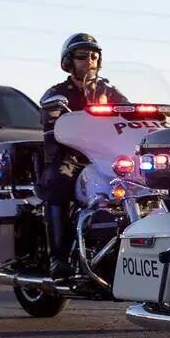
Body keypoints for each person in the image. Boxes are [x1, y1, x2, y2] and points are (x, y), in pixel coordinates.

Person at [38, 33, 128, 279]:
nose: (89, 60)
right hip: (71, 157)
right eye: (82, 56)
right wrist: (55, 113)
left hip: (106, 156)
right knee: (59, 182)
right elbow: (49, 122)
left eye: (93, 56)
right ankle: (59, 257)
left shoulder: (108, 91)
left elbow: (129, 114)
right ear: (69, 61)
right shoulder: (57, 93)